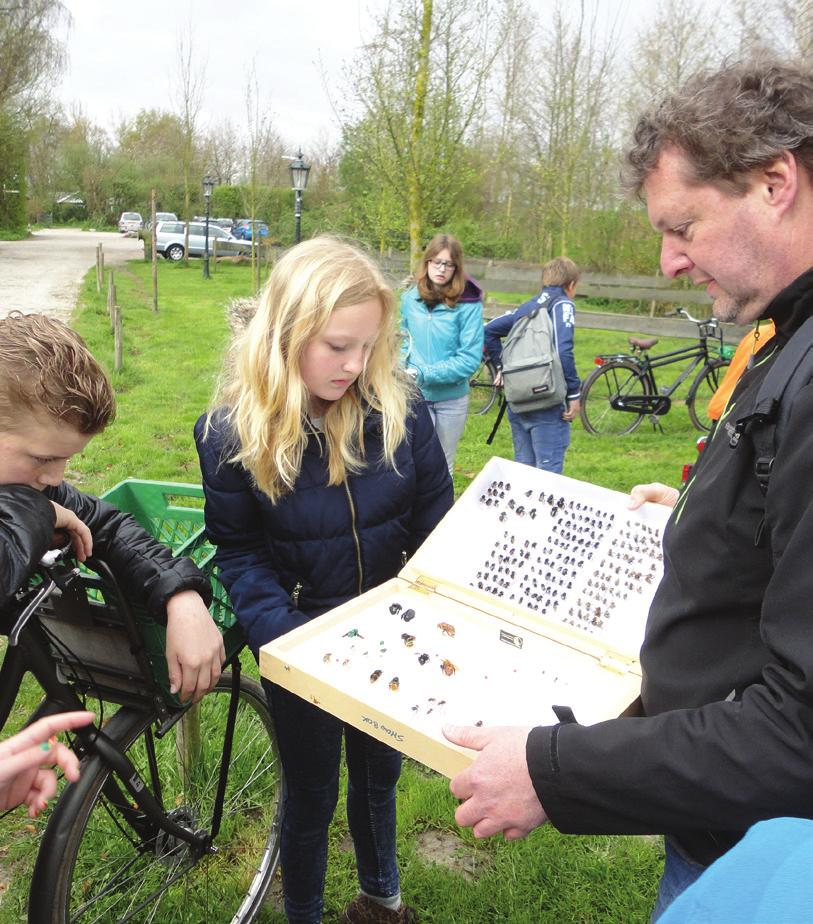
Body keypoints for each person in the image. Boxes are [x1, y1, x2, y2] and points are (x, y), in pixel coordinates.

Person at [442, 57, 813, 920]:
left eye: (681, 225)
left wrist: (551, 770)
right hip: (721, 819)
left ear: (774, 182)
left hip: (768, 856)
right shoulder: (785, 330)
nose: (668, 260)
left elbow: (801, 732)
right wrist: (698, 509)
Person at [195, 236, 453, 924]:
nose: (355, 365)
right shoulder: (229, 436)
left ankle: (381, 902)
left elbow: (438, 535)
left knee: (378, 780)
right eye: (337, 345)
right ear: (285, 333)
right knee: (308, 795)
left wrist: (430, 614)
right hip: (300, 650)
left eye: (368, 346)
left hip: (394, 644)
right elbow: (239, 552)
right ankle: (302, 914)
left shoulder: (402, 413)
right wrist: (292, 645)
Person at [0, 311, 226, 814]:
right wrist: (37, 510)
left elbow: (106, 526)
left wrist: (181, 596)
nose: (55, 477)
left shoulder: (29, 485)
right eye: (41, 459)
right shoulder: (29, 499)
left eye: (66, 460)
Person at [483, 257, 581, 473]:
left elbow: (488, 331)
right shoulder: (562, 304)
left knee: (523, 470)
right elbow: (563, 350)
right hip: (547, 403)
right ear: (571, 285)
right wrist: (573, 393)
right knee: (548, 474)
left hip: (519, 399)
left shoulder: (527, 307)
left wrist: (503, 367)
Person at [399, 233, 484, 474]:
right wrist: (400, 367)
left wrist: (423, 373)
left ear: (456, 268)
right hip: (415, 396)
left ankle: (441, 512)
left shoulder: (468, 303)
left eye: (448, 264)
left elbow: (469, 359)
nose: (441, 269)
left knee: (441, 467)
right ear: (426, 262)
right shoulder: (409, 298)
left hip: (451, 400)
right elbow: (405, 341)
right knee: (411, 463)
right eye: (435, 262)